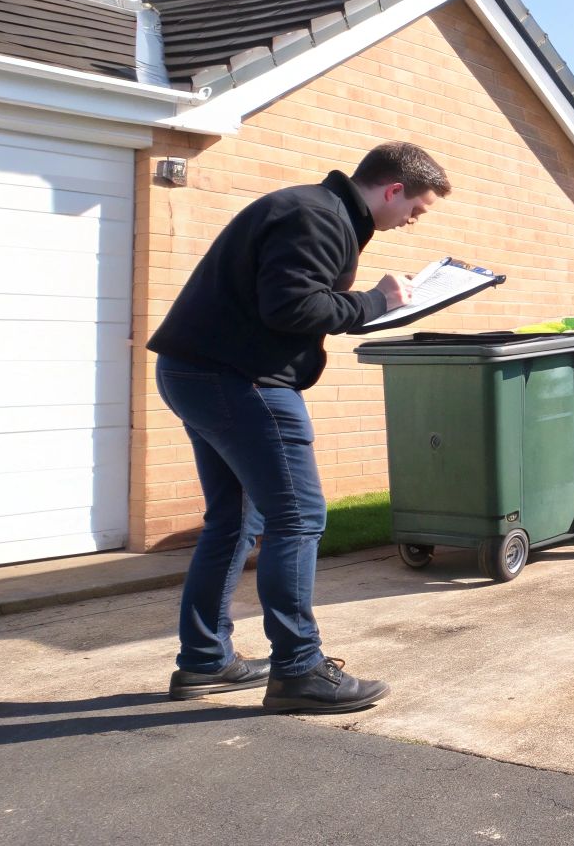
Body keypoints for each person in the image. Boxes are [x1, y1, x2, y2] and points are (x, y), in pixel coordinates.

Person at [149, 142, 450, 712]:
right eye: (416, 208)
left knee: (234, 521)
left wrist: (370, 302)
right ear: (393, 190)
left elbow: (292, 300)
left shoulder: (314, 209)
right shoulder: (318, 216)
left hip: (201, 372)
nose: (414, 219)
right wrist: (375, 301)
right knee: (298, 517)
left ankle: (205, 660)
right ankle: (299, 670)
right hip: (242, 381)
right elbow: (291, 307)